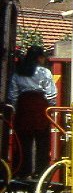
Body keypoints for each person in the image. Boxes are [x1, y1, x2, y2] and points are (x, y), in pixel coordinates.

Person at [8, 45, 57, 179]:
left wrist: (14, 109)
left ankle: (23, 171)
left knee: (23, 140)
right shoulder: (45, 72)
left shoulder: (18, 72)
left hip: (24, 106)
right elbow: (51, 94)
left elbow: (13, 93)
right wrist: (50, 108)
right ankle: (40, 172)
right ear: (40, 57)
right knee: (42, 140)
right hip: (40, 106)